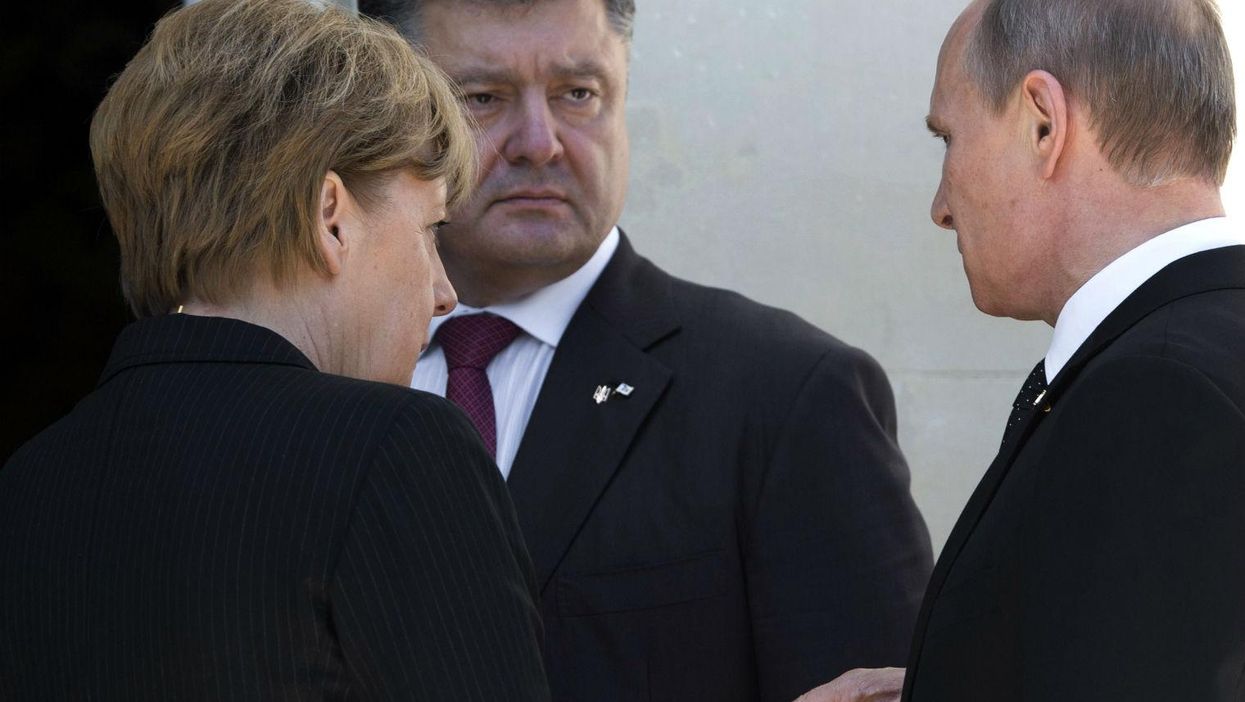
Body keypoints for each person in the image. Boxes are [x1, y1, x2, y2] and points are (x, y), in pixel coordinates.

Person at [357, 1, 934, 700]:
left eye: (578, 94)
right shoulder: (311, 374)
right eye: (483, 98)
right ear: (393, 113)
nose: (539, 142)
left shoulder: (785, 397)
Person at [0, 0, 550, 699]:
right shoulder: (396, 446)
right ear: (331, 219)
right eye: (428, 230)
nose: (444, 291)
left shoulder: (32, 481)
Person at [799, 0, 1244, 700]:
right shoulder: (1193, 360)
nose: (939, 205)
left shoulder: (1155, 396)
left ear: (1043, 122)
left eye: (947, 137)